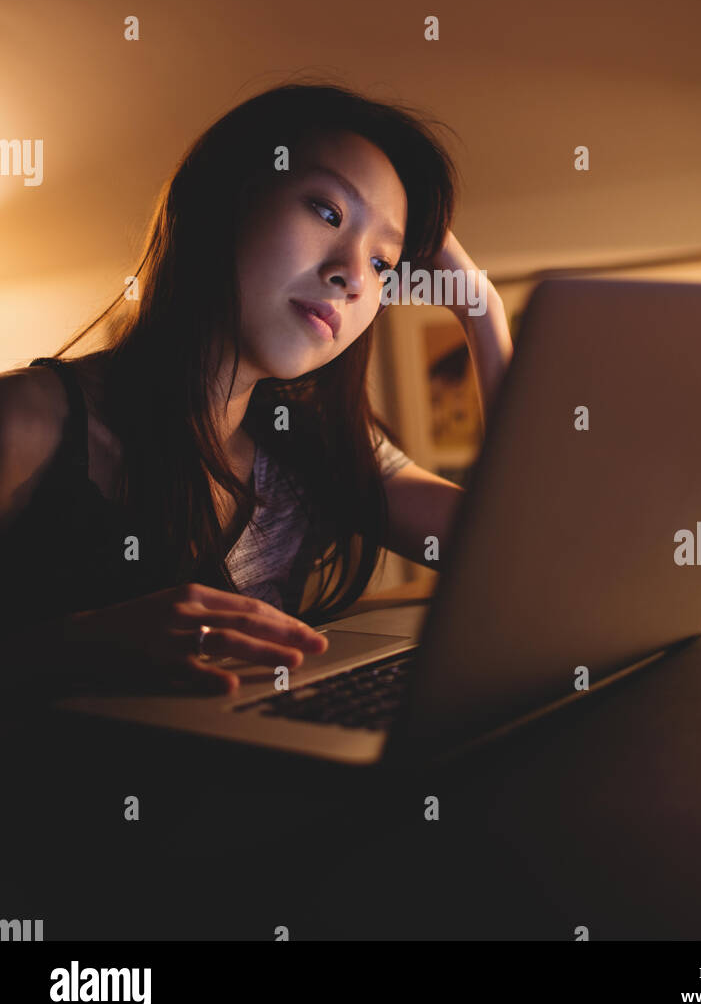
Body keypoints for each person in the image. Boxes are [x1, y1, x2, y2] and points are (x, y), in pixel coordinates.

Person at [0, 80, 513, 696]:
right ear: (225, 201)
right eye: (328, 212)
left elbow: (527, 561)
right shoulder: (27, 423)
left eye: (384, 264)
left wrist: (482, 313)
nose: (353, 276)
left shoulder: (319, 446)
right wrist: (76, 643)